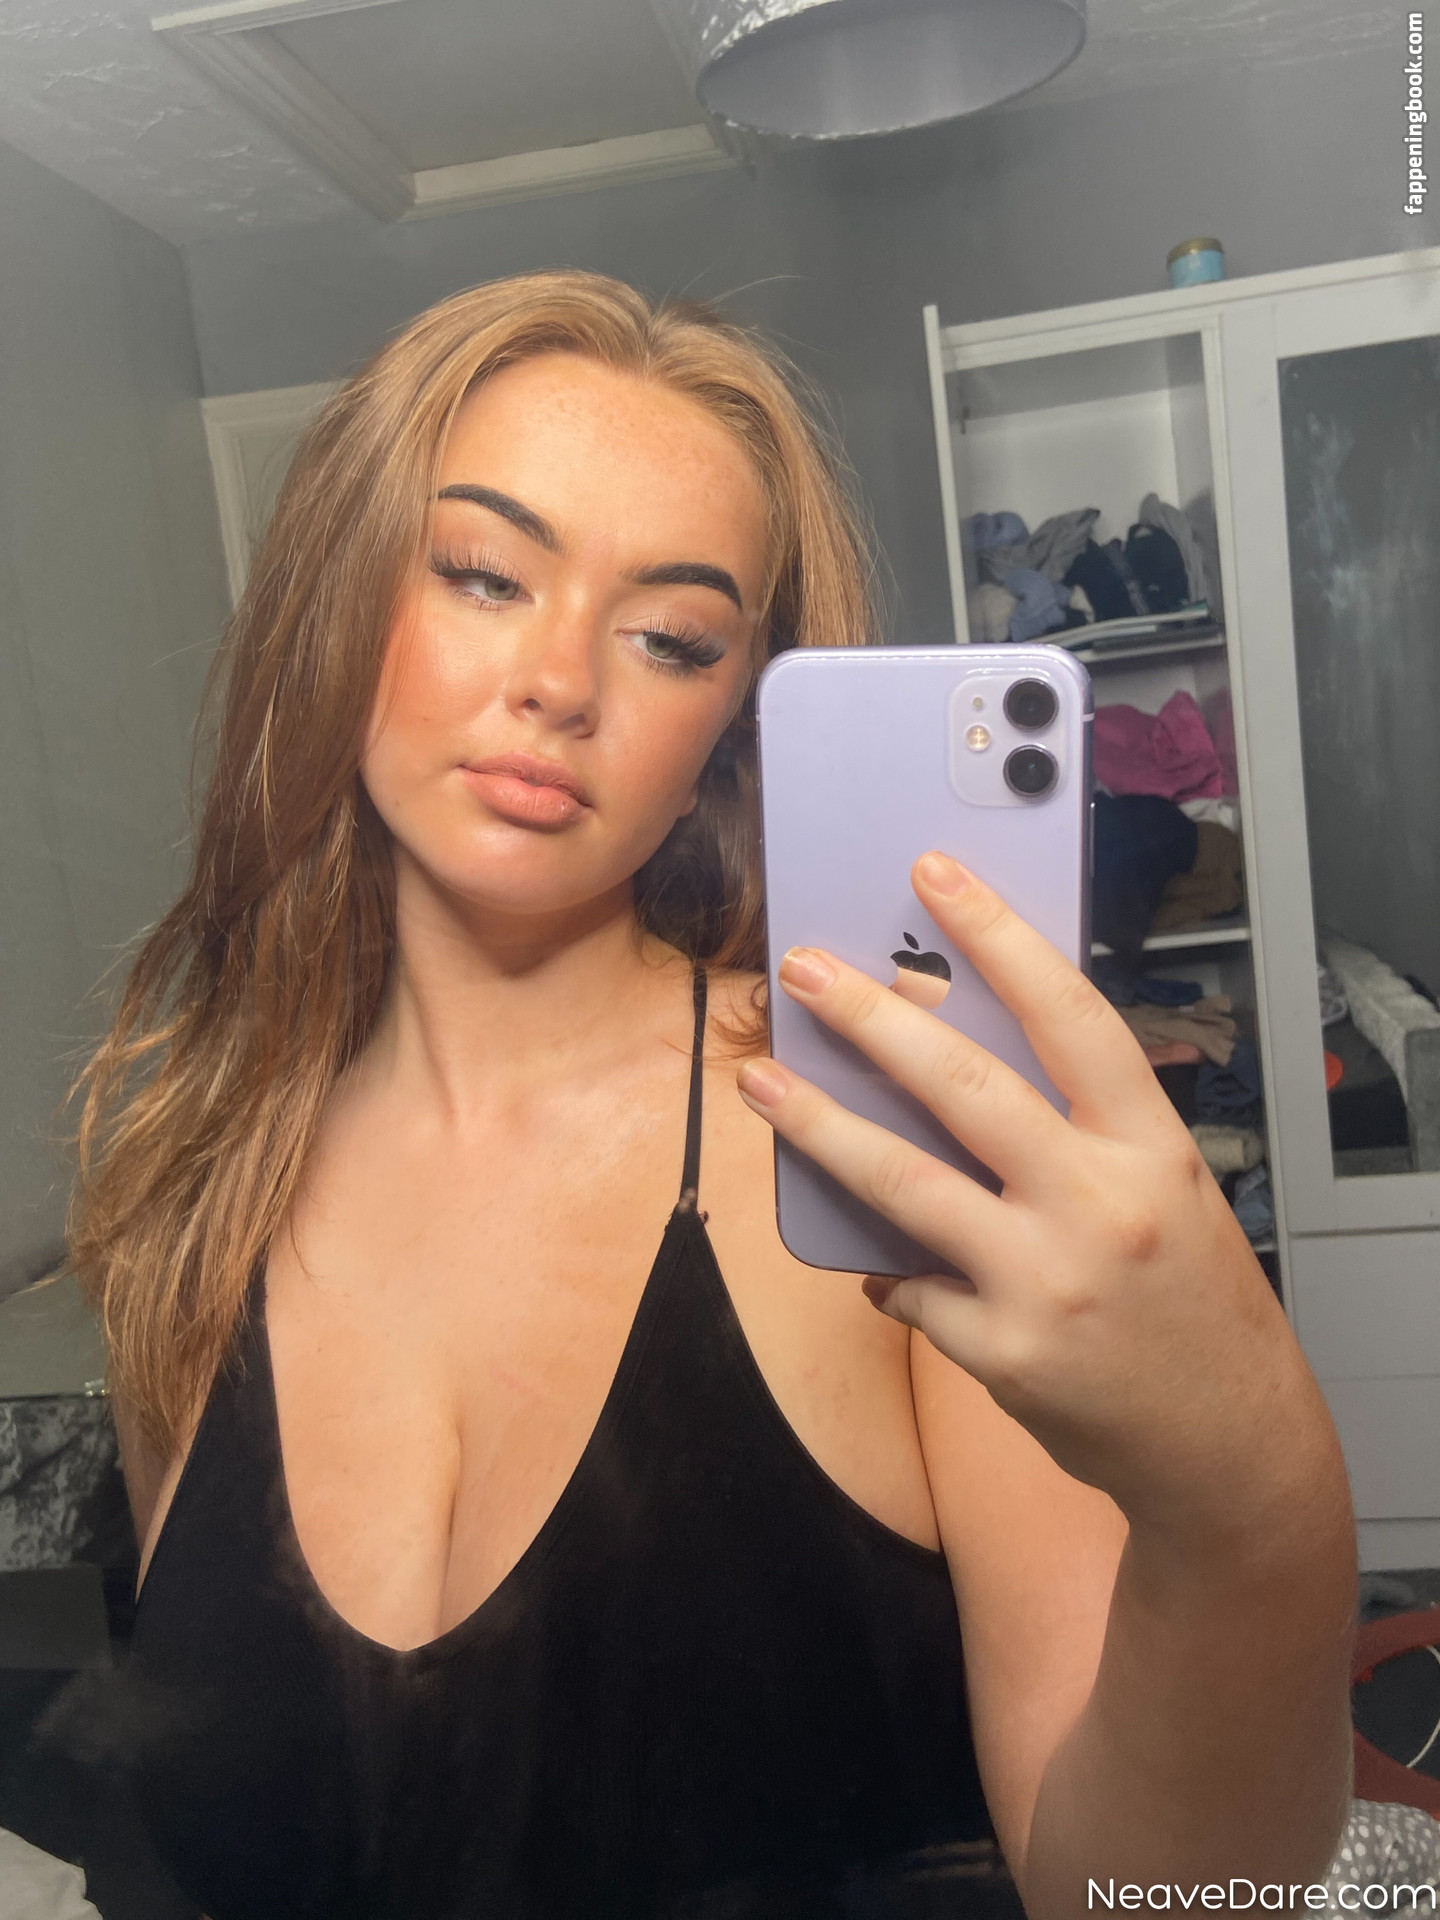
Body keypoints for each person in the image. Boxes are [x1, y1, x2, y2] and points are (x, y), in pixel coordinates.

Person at [69, 271, 1356, 1920]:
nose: (561, 680)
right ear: (336, 596)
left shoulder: (879, 1131)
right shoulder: (188, 1194)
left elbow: (1157, 1899)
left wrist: (1255, 1502)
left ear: (729, 730)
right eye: (483, 574)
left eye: (671, 638)